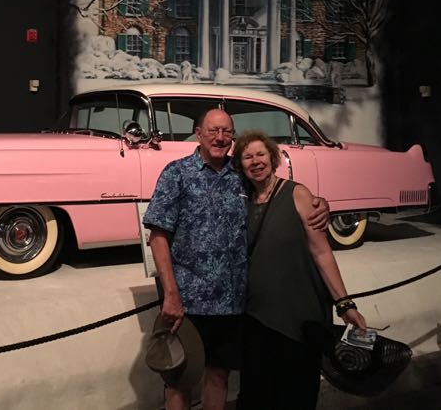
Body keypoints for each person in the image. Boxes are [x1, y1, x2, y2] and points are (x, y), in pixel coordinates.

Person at [142, 109, 331, 410]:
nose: (220, 138)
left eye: (227, 132)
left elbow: (276, 190)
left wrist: (319, 203)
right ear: (198, 132)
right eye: (213, 131)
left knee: (219, 375)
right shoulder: (176, 173)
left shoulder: (240, 175)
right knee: (179, 378)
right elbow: (158, 236)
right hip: (189, 301)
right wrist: (171, 294)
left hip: (233, 304)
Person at [232, 129, 367, 410]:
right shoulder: (241, 201)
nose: (255, 161)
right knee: (256, 396)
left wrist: (344, 303)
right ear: (240, 165)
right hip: (257, 317)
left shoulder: (298, 194)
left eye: (260, 154)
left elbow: (322, 252)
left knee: (297, 394)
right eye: (247, 157)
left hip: (299, 315)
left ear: (273, 157)